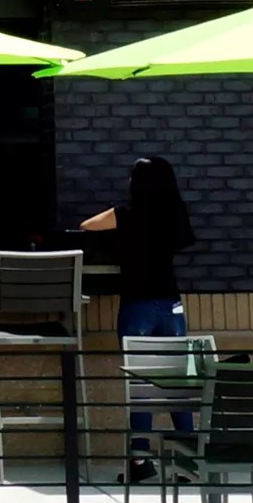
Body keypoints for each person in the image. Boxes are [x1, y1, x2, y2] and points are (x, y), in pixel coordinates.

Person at [84, 155, 197, 480]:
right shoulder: (175, 216)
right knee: (177, 383)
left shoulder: (127, 215)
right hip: (171, 304)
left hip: (138, 306)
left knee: (141, 385)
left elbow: (87, 226)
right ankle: (189, 461)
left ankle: (140, 460)